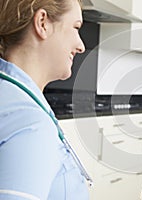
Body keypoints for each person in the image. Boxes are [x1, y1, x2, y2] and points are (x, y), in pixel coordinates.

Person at [0, 0, 89, 199]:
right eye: (75, 28)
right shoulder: (29, 122)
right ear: (42, 23)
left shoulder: (10, 98)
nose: (81, 46)